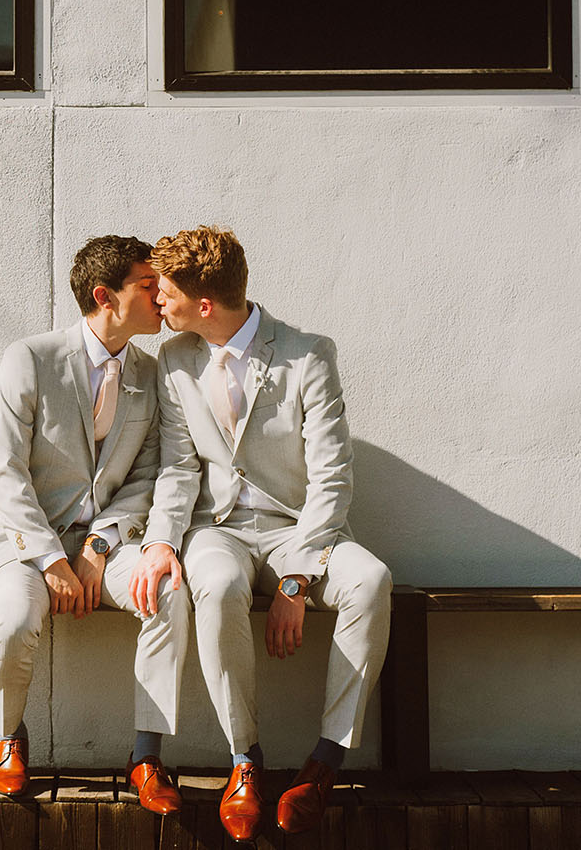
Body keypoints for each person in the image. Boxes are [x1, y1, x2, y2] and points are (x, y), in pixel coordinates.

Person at [130, 225, 392, 842]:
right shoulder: (176, 358)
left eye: (164, 292)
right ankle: (244, 761)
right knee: (215, 587)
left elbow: (332, 477)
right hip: (216, 529)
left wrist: (297, 579)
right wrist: (163, 541)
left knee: (372, 580)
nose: (155, 301)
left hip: (301, 528)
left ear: (205, 305)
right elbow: (178, 464)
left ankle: (324, 763)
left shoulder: (308, 354)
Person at [0, 235, 189, 814]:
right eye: (147, 285)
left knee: (168, 591)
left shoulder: (152, 369)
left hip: (107, 544)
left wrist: (97, 544)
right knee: (15, 620)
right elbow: (5, 470)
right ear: (104, 296)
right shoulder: (30, 359)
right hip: (23, 544)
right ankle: (9, 738)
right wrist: (51, 559)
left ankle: (147, 755)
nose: (161, 295)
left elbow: (148, 472)